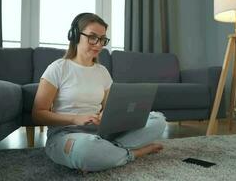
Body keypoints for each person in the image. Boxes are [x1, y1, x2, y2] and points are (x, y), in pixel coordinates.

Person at [32, 13, 167, 172]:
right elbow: (38, 114)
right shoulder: (57, 68)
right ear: (75, 35)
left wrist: (108, 116)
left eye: (102, 39)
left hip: (101, 133)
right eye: (92, 37)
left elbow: (110, 108)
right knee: (85, 150)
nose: (98, 44)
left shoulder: (102, 72)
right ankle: (132, 153)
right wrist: (75, 119)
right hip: (65, 134)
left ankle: (106, 153)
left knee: (158, 120)